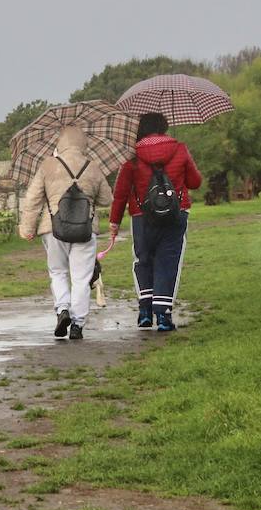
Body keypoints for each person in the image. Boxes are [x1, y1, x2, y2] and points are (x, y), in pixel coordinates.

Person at [108, 112, 202, 332]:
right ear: (164, 127)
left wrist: (114, 222)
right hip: (175, 216)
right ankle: (163, 316)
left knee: (143, 260)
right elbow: (195, 182)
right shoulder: (179, 148)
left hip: (142, 217)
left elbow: (121, 193)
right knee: (168, 262)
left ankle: (144, 312)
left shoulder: (131, 156)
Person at [18, 126, 113, 341]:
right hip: (85, 229)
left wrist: (27, 229)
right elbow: (107, 200)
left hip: (53, 228)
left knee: (58, 271)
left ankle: (62, 309)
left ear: (60, 143)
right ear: (83, 144)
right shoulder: (93, 167)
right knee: (81, 277)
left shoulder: (47, 165)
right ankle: (78, 324)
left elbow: (33, 200)